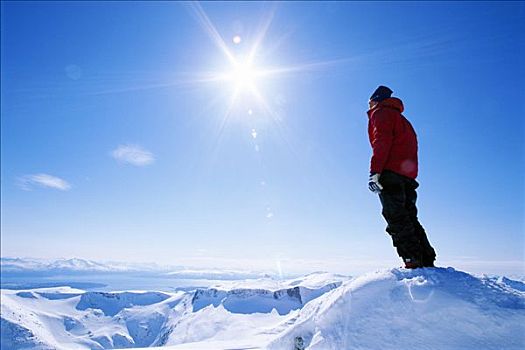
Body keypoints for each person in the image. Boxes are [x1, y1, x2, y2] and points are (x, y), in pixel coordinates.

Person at [367, 85, 436, 268]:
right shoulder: (404, 121)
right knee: (409, 217)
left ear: (376, 100)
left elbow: (381, 142)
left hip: (390, 174)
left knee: (395, 216)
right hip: (408, 177)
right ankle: (426, 259)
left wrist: (375, 172)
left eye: (370, 101)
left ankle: (412, 260)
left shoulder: (381, 114)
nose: (369, 105)